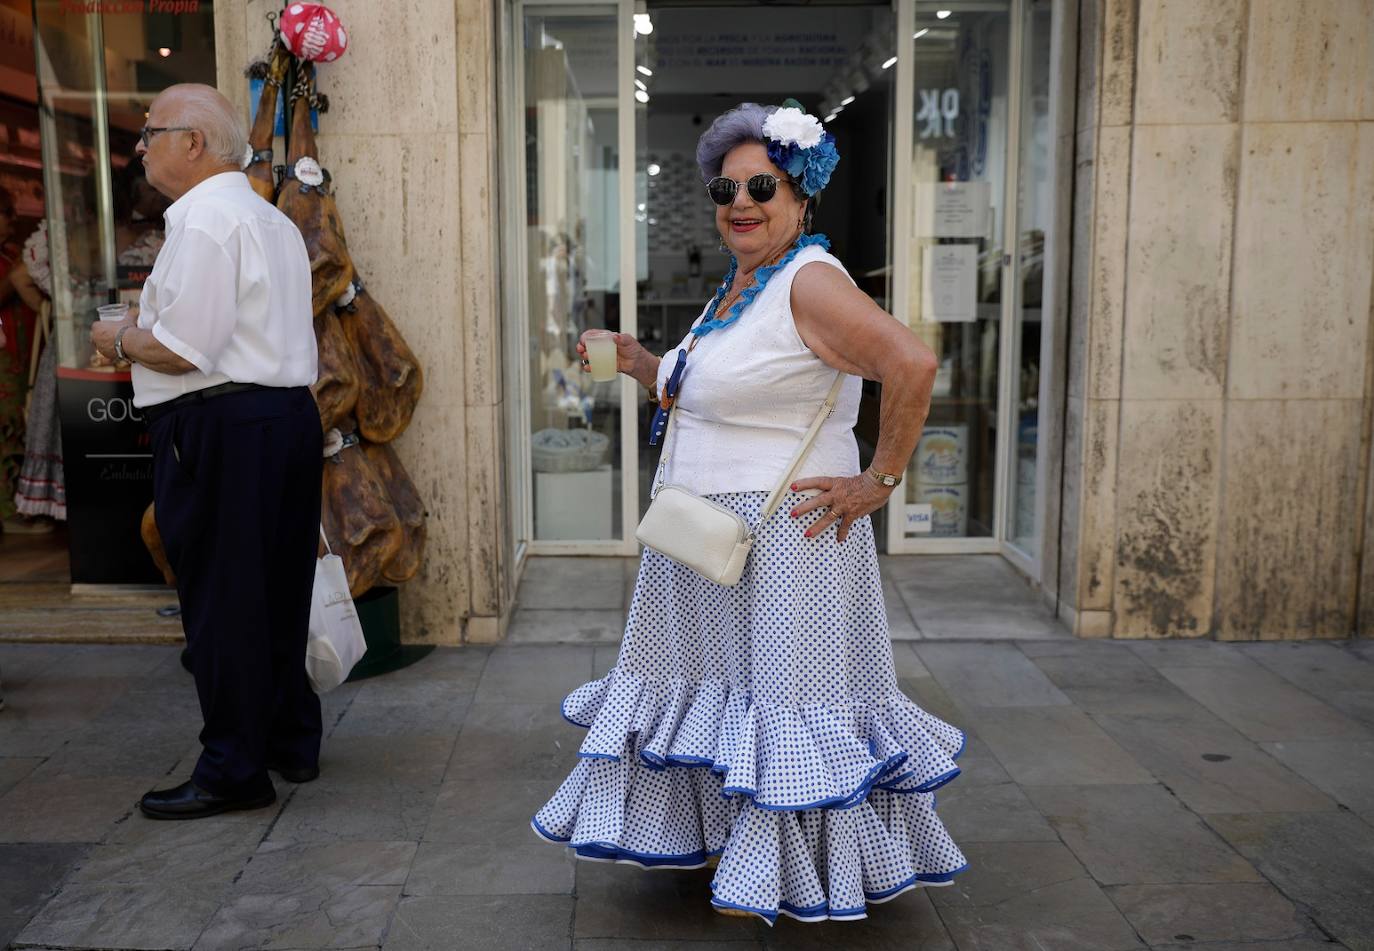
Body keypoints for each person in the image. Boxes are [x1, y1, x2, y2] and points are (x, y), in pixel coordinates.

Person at [531, 102, 968, 923]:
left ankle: (795, 870)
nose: (741, 202)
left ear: (800, 195)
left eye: (761, 186)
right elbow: (717, 393)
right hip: (707, 541)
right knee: (730, 696)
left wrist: (878, 480)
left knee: (784, 707)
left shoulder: (810, 280)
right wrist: (642, 363)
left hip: (782, 545)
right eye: (725, 189)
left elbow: (912, 362)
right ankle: (734, 845)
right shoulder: (744, 285)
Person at [91, 83, 323, 820]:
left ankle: (232, 769)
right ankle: (290, 738)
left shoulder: (206, 219)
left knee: (223, 599)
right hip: (283, 417)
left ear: (193, 143)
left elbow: (184, 350)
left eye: (151, 132)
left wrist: (119, 338)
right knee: (278, 589)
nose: (140, 147)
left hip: (222, 425)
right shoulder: (265, 216)